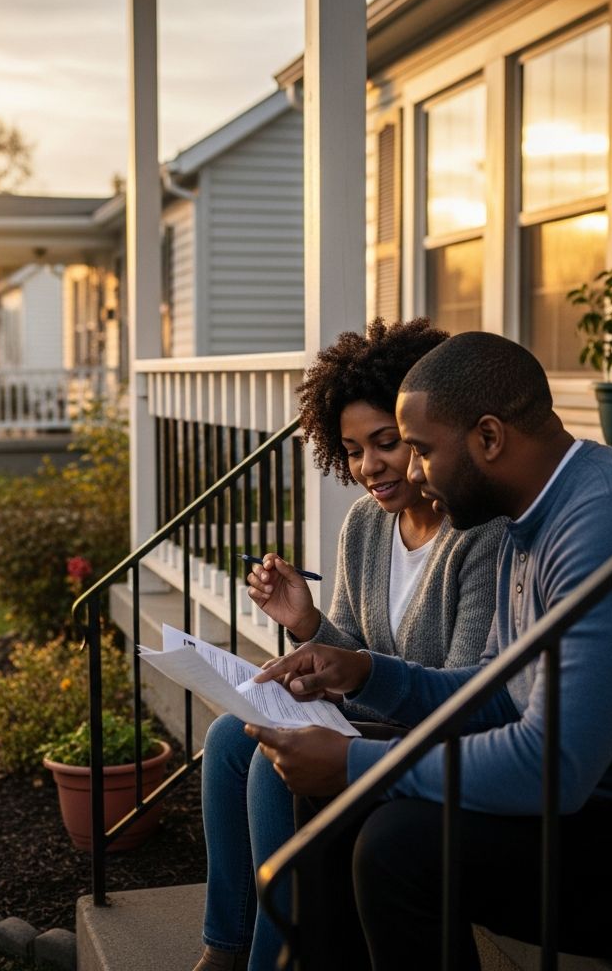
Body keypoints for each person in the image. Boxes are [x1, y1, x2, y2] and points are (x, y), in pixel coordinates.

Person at [249, 332, 612, 969]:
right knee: (338, 792)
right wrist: (363, 672)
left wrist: (359, 764)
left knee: (398, 844)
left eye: (420, 450)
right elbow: (498, 691)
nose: (411, 472)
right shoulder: (528, 517)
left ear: (490, 438)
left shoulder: (608, 524)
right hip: (593, 806)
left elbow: (551, 764)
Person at [194, 319, 507, 971]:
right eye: (353, 449)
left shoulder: (480, 533)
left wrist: (347, 672)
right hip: (376, 717)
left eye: (387, 443)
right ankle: (224, 947)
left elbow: (459, 687)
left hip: (435, 741)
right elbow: (351, 653)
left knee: (269, 762)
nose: (369, 467)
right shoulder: (366, 524)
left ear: (428, 431)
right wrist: (306, 626)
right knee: (229, 736)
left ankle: (273, 960)